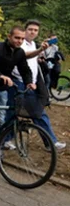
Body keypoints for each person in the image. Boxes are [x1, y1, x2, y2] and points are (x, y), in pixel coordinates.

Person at [13, 20, 65, 150]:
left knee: (21, 113)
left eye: (36, 30)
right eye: (30, 29)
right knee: (38, 112)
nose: (33, 32)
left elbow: (32, 61)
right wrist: (39, 50)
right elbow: (24, 56)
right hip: (20, 82)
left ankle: (5, 140)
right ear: (25, 30)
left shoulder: (33, 44)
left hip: (33, 82)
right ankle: (50, 142)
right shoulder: (20, 43)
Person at [0, 26, 34, 135]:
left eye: (22, 39)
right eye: (17, 38)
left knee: (1, 118)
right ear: (9, 36)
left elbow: (25, 69)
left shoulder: (20, 53)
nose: (20, 41)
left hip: (1, 88)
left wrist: (29, 82)